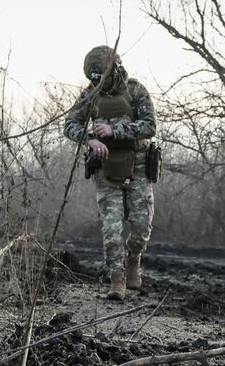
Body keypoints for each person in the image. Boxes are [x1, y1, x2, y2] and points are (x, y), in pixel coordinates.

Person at [63, 45, 158, 301]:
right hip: (106, 169)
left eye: (101, 77)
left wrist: (116, 131)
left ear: (114, 69)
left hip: (138, 166)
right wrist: (90, 140)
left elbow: (150, 126)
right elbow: (70, 124)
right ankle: (117, 281)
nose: (97, 83)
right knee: (111, 230)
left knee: (141, 227)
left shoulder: (135, 91)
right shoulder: (90, 95)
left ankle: (133, 261)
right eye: (92, 79)